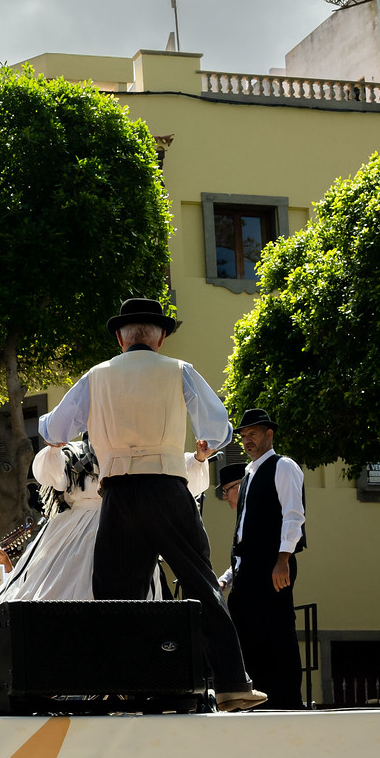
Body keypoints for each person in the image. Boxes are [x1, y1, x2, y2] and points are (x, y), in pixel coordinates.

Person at [38, 297, 265, 711]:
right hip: (166, 486)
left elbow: (54, 428)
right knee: (200, 583)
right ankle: (233, 682)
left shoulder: (97, 375)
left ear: (121, 339)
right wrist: (203, 445)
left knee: (115, 597)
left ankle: (120, 683)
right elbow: (218, 431)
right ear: (160, 337)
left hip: (118, 491)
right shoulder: (180, 371)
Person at [0, 439, 207, 604]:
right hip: (74, 535)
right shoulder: (74, 452)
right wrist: (54, 448)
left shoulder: (137, 453)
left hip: (125, 527)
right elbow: (51, 475)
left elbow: (172, 475)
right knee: (57, 592)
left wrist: (198, 459)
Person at [226, 409, 306, 709]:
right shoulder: (248, 473)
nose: (247, 441)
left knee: (278, 629)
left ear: (269, 434)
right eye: (244, 436)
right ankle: (258, 696)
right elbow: (245, 526)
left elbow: (293, 515)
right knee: (246, 628)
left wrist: (283, 559)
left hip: (274, 563)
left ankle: (287, 700)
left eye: (253, 434)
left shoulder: (283, 466)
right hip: (248, 567)